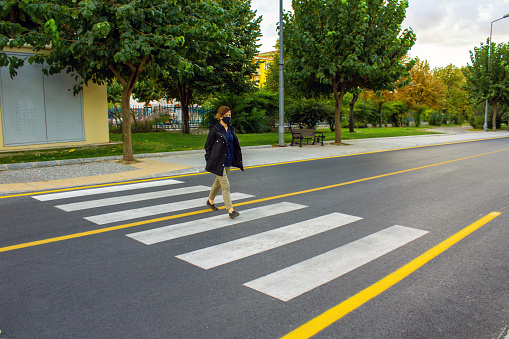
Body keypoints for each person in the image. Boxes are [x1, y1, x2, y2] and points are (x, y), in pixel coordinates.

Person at [204, 106, 243, 218]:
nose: (228, 117)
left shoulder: (230, 129)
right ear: (220, 116)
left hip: (228, 160)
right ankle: (230, 210)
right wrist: (210, 159)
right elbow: (208, 146)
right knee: (225, 185)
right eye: (226, 116)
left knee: (218, 182)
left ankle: (210, 200)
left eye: (229, 115)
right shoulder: (215, 130)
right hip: (218, 161)